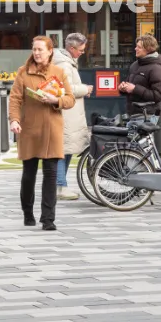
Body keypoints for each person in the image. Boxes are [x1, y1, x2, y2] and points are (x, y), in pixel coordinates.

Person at [9, 36, 75, 231]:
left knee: (51, 174)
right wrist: (14, 119)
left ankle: (48, 219)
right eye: (34, 49)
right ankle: (28, 213)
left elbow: (70, 99)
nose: (36, 53)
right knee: (28, 175)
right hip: (29, 129)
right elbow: (15, 99)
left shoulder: (59, 72)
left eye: (40, 49)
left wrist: (55, 100)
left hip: (53, 129)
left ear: (49, 51)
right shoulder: (23, 72)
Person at [52, 33, 91, 202]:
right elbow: (67, 89)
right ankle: (60, 186)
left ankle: (61, 185)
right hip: (66, 113)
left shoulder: (66, 61)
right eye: (81, 49)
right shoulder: (64, 64)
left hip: (68, 112)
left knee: (66, 149)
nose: (83, 52)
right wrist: (86, 89)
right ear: (71, 48)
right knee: (62, 150)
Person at [119, 34, 161, 119]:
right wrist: (123, 88)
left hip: (148, 116)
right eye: (136, 46)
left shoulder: (156, 69)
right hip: (133, 114)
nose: (135, 49)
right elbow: (130, 86)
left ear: (148, 49)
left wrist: (135, 89)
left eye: (139, 47)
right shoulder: (135, 65)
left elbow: (158, 95)